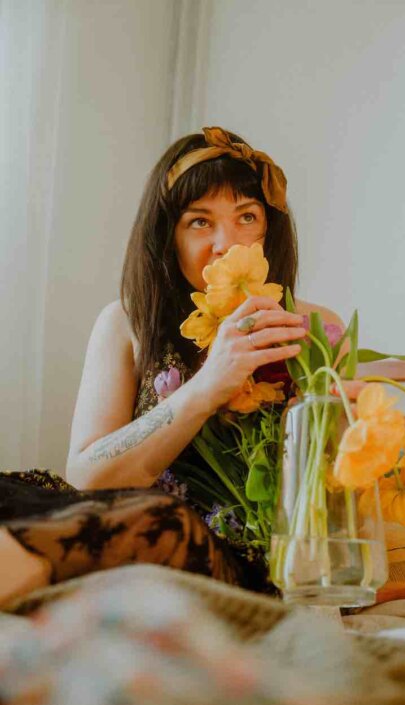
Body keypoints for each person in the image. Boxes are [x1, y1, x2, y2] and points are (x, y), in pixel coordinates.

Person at [0, 127, 362, 608]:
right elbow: (85, 476)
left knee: (162, 523)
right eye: (199, 222)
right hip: (121, 526)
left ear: (269, 230)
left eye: (246, 217)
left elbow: (339, 506)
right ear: (167, 235)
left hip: (245, 560)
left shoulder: (313, 329)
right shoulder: (128, 321)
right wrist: (208, 386)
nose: (224, 243)